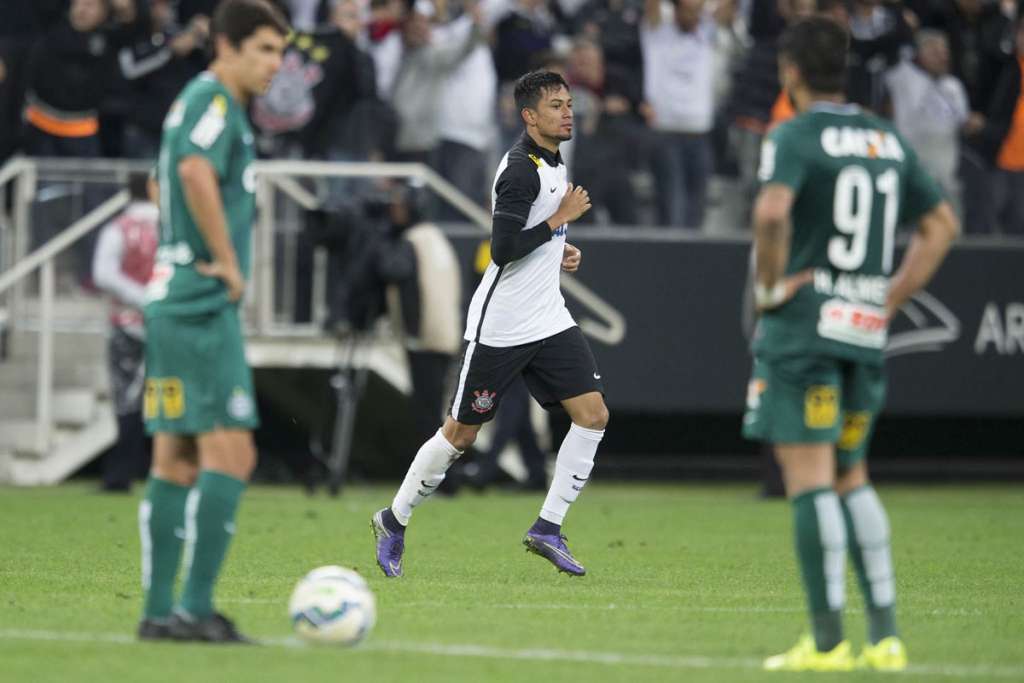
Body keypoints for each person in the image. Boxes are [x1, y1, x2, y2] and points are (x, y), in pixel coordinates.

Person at [741, 17, 958, 671]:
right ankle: (886, 637)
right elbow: (942, 225)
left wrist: (770, 288)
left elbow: (771, 213)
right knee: (852, 475)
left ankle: (828, 642)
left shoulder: (794, 134)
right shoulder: (886, 137)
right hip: (863, 328)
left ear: (791, 72)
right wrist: (887, 298)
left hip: (806, 328)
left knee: (809, 479)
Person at [371, 70, 609, 578]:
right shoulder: (520, 169)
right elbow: (502, 249)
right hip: (501, 326)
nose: (568, 112)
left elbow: (532, 233)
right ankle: (393, 519)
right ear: (529, 116)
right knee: (460, 435)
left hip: (548, 317)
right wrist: (557, 221)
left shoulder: (554, 160)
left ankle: (548, 527)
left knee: (592, 415)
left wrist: (560, 247)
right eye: (556, 106)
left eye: (569, 103)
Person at [136, 0, 287, 643]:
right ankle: (194, 609)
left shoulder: (196, 103)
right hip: (199, 304)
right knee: (233, 451)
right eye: (264, 50)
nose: (274, 65)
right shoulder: (216, 102)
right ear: (226, 47)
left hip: (173, 299)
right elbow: (193, 171)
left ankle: (158, 613)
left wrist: (180, 240)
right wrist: (226, 261)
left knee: (176, 459)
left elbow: (160, 181)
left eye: (280, 52)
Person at [92, 172, 159, 493]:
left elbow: (103, 273)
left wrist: (138, 297)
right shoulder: (172, 227)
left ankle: (120, 474)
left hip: (126, 322)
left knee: (126, 399)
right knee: (169, 394)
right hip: (168, 323)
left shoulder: (118, 228)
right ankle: (168, 468)